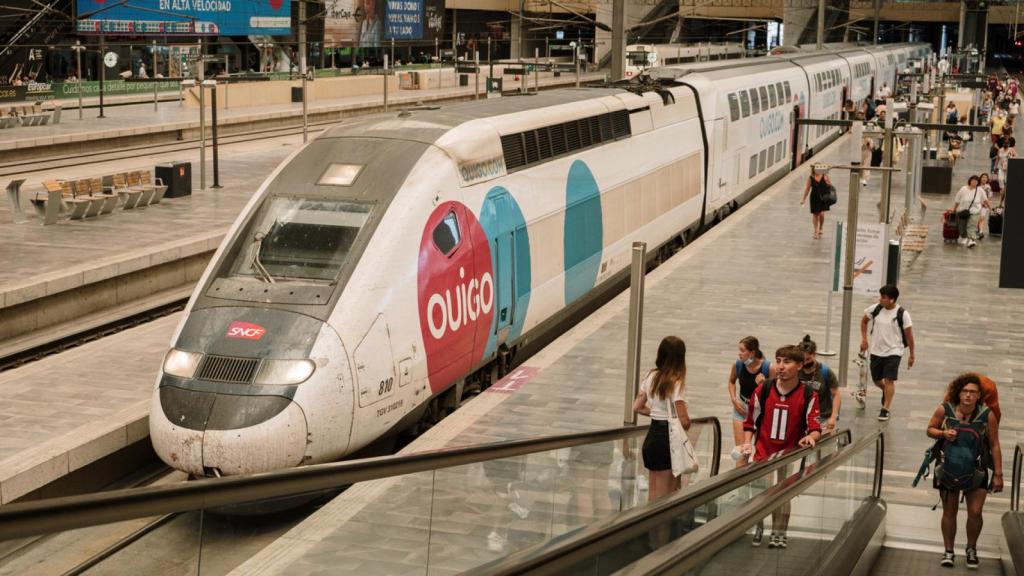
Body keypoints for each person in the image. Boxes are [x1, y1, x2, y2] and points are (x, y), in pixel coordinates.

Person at [740, 345, 821, 548]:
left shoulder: (808, 394)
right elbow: (750, 421)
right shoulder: (764, 389)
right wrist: (746, 442)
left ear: (800, 365)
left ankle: (779, 532)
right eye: (778, 361)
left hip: (789, 453)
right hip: (764, 452)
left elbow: (815, 426)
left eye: (787, 362)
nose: (781, 366)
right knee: (763, 492)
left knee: (783, 493)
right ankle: (759, 526)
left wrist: (811, 436)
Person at [926, 374, 1002, 569]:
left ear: (979, 396)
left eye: (973, 392)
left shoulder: (988, 415)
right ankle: (949, 551)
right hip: (948, 467)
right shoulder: (945, 409)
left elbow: (994, 445)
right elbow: (930, 429)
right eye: (965, 391)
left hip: (977, 468)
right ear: (958, 393)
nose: (968, 395)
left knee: (975, 512)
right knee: (949, 511)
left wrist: (999, 475)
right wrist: (943, 433)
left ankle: (971, 548)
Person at [633, 336, 690, 503]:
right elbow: (684, 420)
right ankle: (662, 529)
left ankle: (649, 528)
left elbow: (637, 406)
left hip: (652, 438)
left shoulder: (651, 375)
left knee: (652, 496)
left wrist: (656, 414)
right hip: (668, 442)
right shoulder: (676, 382)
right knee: (666, 500)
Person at [859, 284, 915, 421]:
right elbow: (864, 321)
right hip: (876, 350)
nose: (880, 300)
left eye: (883, 297)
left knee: (889, 379)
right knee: (877, 379)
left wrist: (912, 355)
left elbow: (909, 335)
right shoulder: (876, 309)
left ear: (891, 299)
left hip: (894, 351)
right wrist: (864, 339)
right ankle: (886, 391)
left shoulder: (902, 314)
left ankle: (886, 408)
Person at [726, 336, 775, 468]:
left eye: (742, 350)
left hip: (761, 413)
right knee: (742, 452)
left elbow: (776, 393)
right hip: (742, 409)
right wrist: (734, 400)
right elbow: (731, 382)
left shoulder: (768, 368)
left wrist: (764, 384)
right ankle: (740, 485)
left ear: (752, 353)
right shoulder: (738, 365)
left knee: (762, 454)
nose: (739, 353)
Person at [797, 335, 840, 434]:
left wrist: (833, 417)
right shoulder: (796, 370)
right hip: (801, 417)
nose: (805, 363)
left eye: (808, 359)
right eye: (803, 360)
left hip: (822, 417)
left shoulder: (825, 371)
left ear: (814, 355)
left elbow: (836, 394)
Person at [953, 175, 989, 247]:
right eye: (973, 180)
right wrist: (954, 209)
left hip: (975, 212)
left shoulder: (980, 190)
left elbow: (985, 200)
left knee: (972, 226)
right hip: (963, 211)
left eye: (976, 181)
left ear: (978, 182)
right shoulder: (963, 189)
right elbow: (957, 200)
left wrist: (990, 208)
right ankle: (964, 237)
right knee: (962, 227)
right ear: (970, 181)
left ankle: (971, 240)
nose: (974, 182)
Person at [800, 165, 833, 239]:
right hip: (814, 197)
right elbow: (807, 189)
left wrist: (828, 183)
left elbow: (831, 186)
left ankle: (821, 227)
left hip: (823, 197)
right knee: (815, 214)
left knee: (821, 213)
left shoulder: (825, 176)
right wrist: (803, 199)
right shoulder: (811, 177)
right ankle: (816, 231)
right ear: (814, 169)